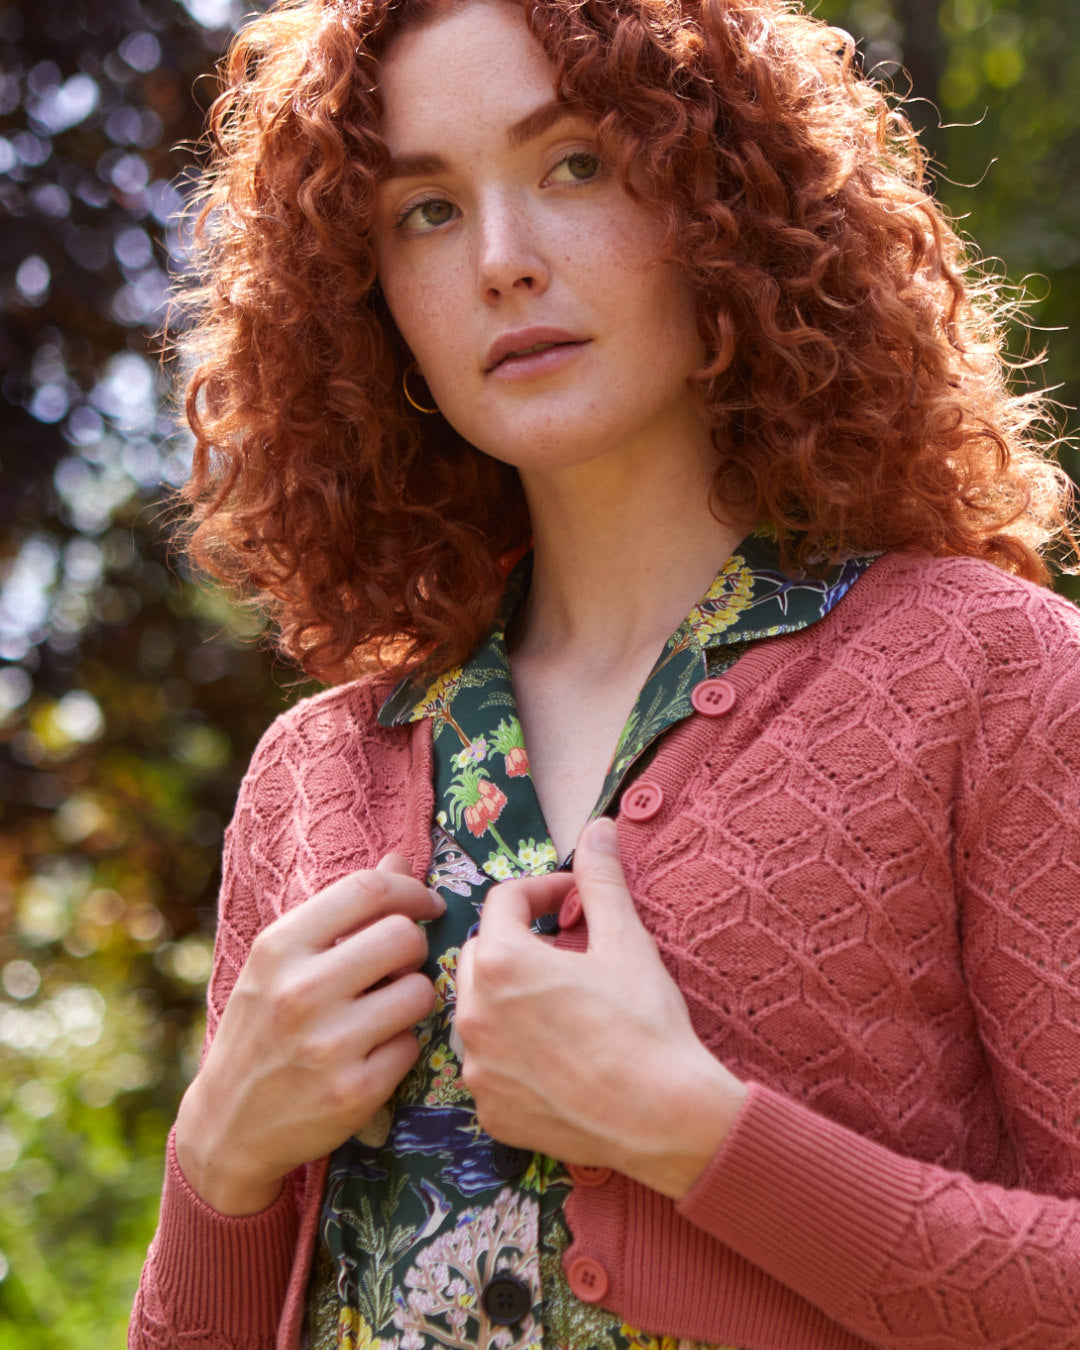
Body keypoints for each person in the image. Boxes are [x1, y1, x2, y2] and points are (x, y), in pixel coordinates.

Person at [130, 0, 1080, 1346]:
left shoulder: (988, 679)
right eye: (426, 211)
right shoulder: (317, 774)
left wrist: (691, 1131)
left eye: (574, 163)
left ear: (720, 204)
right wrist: (216, 1166)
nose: (502, 260)